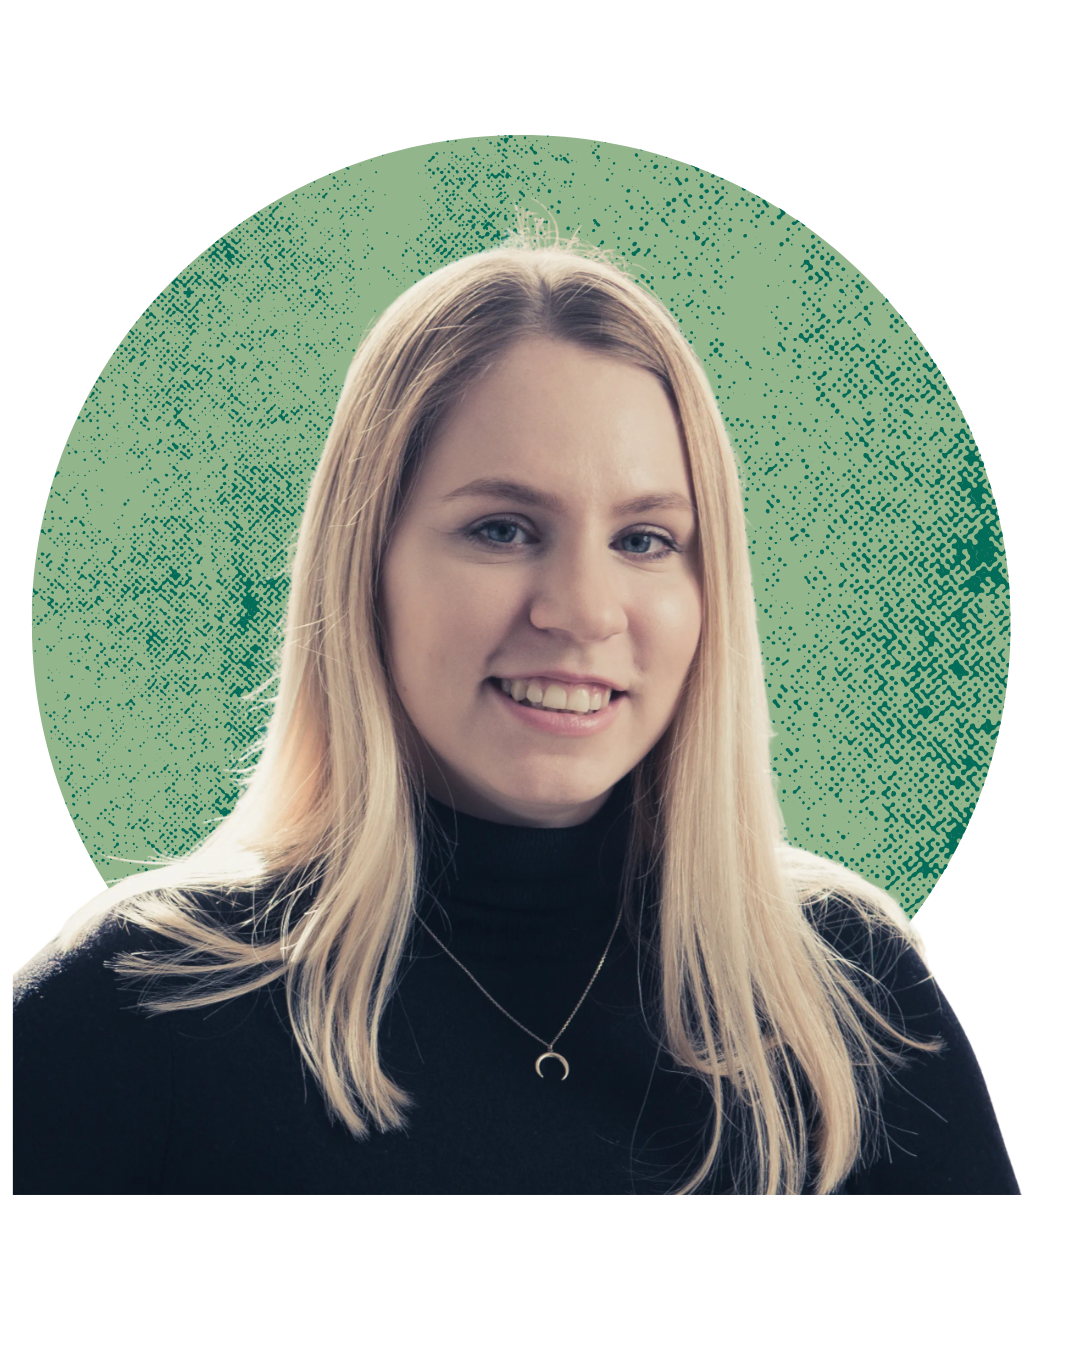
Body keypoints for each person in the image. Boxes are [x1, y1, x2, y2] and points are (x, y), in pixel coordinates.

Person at [13, 217, 1019, 1195]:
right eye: (502, 528)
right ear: (364, 569)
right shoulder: (140, 997)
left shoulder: (849, 994)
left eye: (646, 539)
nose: (582, 613)